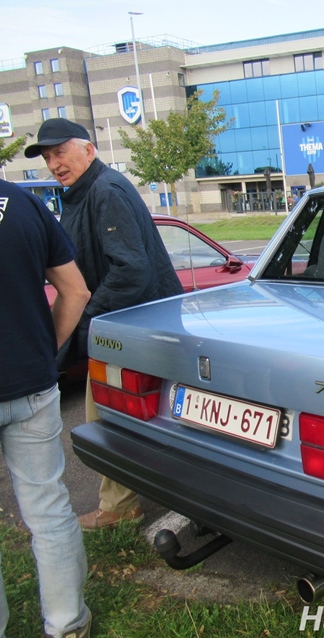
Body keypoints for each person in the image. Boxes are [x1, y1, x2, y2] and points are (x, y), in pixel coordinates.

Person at [25, 118, 184, 531]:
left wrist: (87, 316)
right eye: (48, 157)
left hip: (127, 327)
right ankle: (134, 498)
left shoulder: (105, 191)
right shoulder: (85, 193)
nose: (54, 164)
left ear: (88, 150)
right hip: (128, 325)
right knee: (133, 416)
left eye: (60, 153)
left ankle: (119, 506)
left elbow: (131, 270)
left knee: (106, 417)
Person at [0, 179, 92, 637]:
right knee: (49, 509)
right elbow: (76, 291)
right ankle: (68, 623)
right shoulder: (25, 205)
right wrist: (44, 351)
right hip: (32, 386)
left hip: (32, 381)